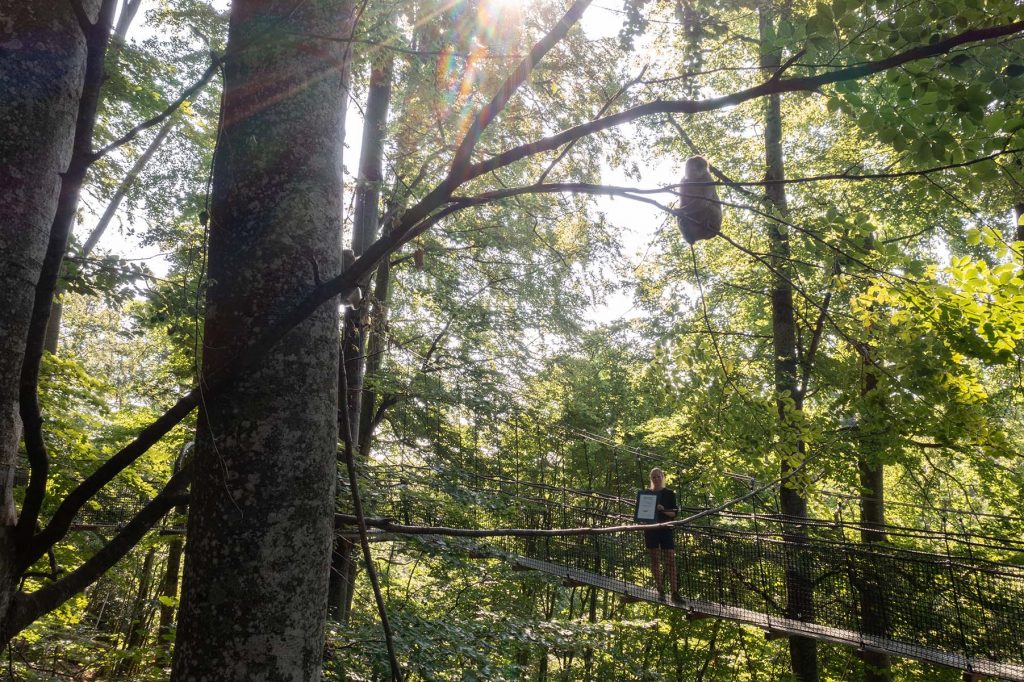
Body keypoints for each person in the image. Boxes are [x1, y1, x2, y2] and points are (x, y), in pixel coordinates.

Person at [643, 468, 681, 602]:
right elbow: (641, 512)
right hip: (651, 529)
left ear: (663, 477)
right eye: (653, 477)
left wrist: (663, 509)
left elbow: (674, 514)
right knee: (655, 559)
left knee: (670, 559)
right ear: (651, 479)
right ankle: (660, 590)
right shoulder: (646, 494)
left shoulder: (670, 494)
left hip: (666, 529)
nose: (656, 479)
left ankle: (674, 592)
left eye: (658, 477)